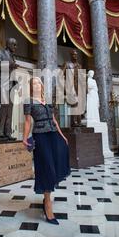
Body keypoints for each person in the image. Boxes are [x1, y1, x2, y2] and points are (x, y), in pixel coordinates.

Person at [22, 77, 70, 225]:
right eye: (34, 83)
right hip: (40, 136)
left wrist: (62, 136)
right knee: (46, 167)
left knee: (56, 164)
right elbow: (28, 122)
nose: (36, 85)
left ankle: (47, 198)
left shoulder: (47, 100)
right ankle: (47, 203)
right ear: (31, 87)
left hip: (53, 135)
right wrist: (24, 138)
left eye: (38, 82)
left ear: (42, 86)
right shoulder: (28, 101)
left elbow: (54, 120)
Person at [0, 38, 18, 140]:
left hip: (11, 85)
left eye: (16, 45)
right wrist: (10, 65)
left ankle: (7, 133)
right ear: (8, 44)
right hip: (2, 83)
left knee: (10, 109)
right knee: (4, 106)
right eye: (14, 45)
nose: (16, 47)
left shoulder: (13, 56)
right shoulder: (0, 52)